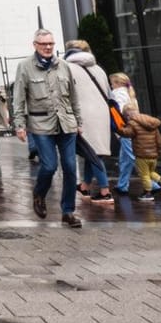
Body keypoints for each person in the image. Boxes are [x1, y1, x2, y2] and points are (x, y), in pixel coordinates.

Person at [11, 29, 82, 228]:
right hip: (41, 125)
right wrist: (19, 125)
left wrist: (79, 121)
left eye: (51, 43)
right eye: (44, 44)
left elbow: (73, 96)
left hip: (66, 124)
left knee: (70, 168)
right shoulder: (25, 67)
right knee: (49, 166)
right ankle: (39, 193)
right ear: (35, 45)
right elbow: (19, 98)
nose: (48, 47)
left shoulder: (64, 66)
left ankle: (68, 211)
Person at [64, 40, 115, 205]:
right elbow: (109, 93)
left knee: (93, 153)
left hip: (83, 114)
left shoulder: (68, 68)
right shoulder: (98, 68)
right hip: (102, 114)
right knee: (92, 151)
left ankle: (105, 192)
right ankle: (84, 187)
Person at [121, 94, 161, 200]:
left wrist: (119, 128)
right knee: (150, 172)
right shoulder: (151, 122)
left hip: (142, 155)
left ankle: (148, 193)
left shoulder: (132, 124)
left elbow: (127, 133)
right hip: (153, 155)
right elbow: (159, 140)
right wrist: (158, 151)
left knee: (144, 175)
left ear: (128, 115)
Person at [109, 72, 138, 196]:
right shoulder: (129, 93)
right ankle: (122, 185)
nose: (111, 86)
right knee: (125, 160)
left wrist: (118, 129)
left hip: (124, 130)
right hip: (130, 129)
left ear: (117, 83)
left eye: (112, 83)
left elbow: (119, 113)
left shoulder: (117, 94)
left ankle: (155, 182)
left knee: (132, 157)